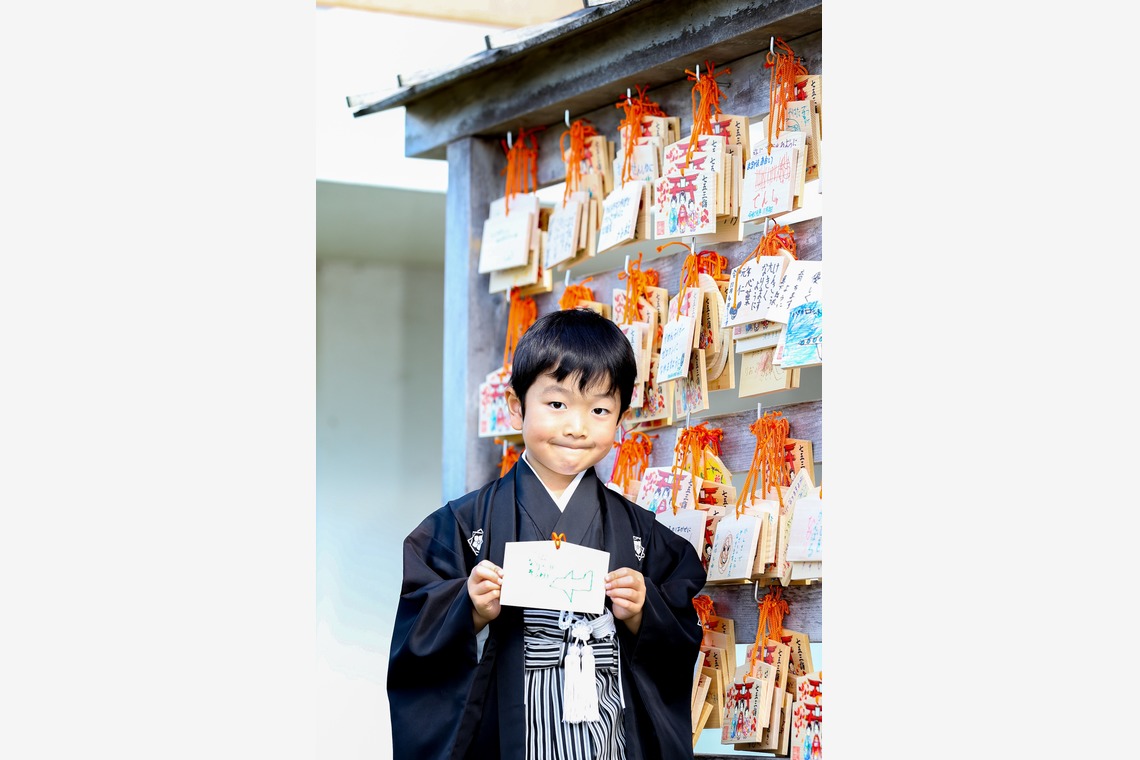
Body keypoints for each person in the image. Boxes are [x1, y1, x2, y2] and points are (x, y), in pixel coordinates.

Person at [388, 308, 707, 760]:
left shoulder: (642, 534)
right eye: (557, 405)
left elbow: (680, 637)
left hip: (607, 738)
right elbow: (414, 639)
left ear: (621, 419)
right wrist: (468, 607)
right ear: (516, 405)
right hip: (508, 736)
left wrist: (644, 611)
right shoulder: (461, 525)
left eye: (599, 409)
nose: (576, 427)